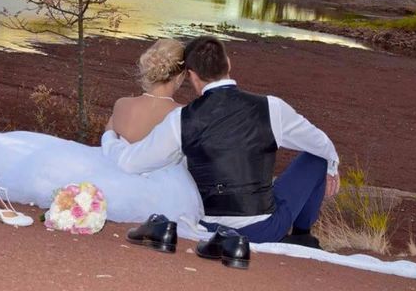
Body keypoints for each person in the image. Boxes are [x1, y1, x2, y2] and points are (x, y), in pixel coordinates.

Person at [0, 39, 205, 231]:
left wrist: (114, 143)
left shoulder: (123, 105)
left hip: (110, 164)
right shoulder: (179, 114)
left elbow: (109, 138)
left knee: (33, 157)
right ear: (179, 78)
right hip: (163, 185)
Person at [102, 36, 340, 245]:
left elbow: (131, 163)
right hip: (264, 229)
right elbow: (320, 143)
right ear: (228, 64)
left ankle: (299, 236)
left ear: (193, 77)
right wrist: (332, 166)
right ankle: (301, 235)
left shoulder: (181, 119)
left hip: (210, 228)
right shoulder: (272, 107)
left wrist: (110, 138)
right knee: (318, 158)